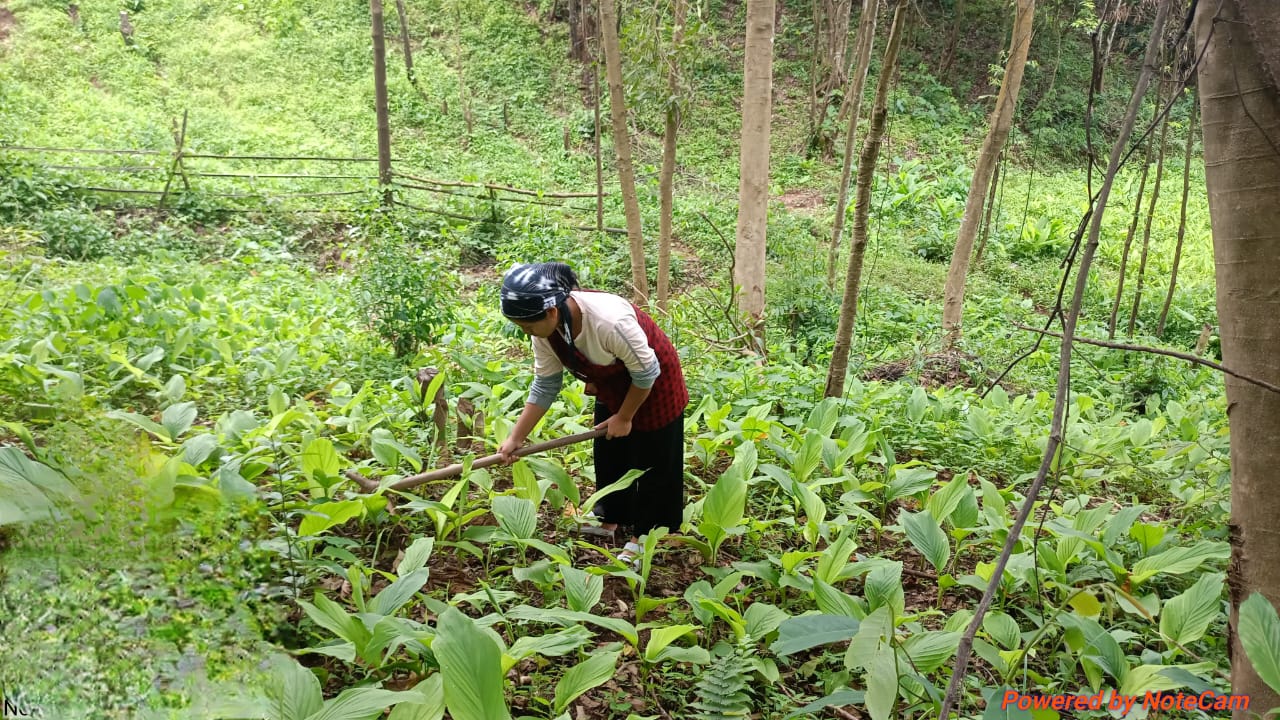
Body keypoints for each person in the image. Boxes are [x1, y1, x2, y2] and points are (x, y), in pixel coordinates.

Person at [496, 262, 688, 565]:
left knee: (655, 461)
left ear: (551, 312)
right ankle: (612, 515)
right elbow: (546, 384)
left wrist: (625, 417)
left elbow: (647, 372)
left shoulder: (609, 321)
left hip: (655, 381)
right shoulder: (545, 330)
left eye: (528, 327)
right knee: (610, 450)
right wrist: (516, 437)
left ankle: (648, 533)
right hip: (612, 382)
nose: (526, 332)